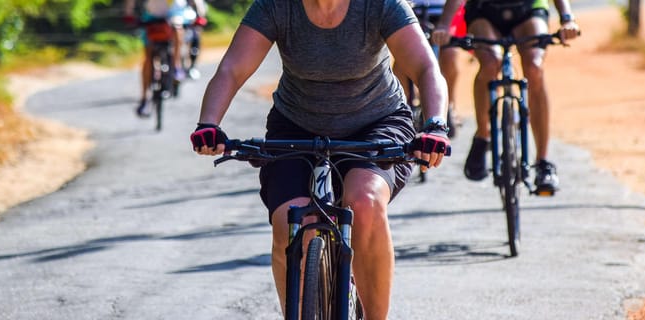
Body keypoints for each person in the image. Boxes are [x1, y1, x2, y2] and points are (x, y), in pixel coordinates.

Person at [189, 0, 450, 318]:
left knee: (365, 202)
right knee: (290, 220)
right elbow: (232, 68)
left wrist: (435, 125)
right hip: (296, 124)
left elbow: (425, 67)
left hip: (376, 122)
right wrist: (209, 124)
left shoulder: (381, 5)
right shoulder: (276, 6)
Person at [431, 0, 580, 192]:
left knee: (534, 68)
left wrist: (567, 19)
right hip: (484, 10)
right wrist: (444, 24)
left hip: (528, 9)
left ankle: (543, 162)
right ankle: (483, 135)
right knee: (490, 62)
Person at [393, 0, 467, 138]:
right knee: (402, 60)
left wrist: (445, 23)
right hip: (409, 10)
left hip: (443, 11)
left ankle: (448, 105)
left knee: (449, 55)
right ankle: (404, 107)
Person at [123, 0, 206, 117]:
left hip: (176, 16)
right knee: (148, 57)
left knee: (177, 28)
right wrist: (129, 13)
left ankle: (176, 67)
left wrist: (199, 14)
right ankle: (145, 98)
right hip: (153, 18)